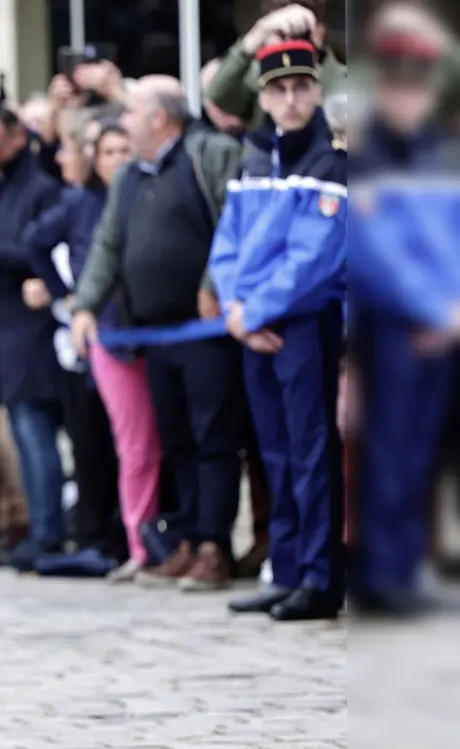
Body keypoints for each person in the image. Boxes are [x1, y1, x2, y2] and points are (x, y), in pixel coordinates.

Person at [70, 76, 247, 592]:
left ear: (160, 117)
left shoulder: (209, 153)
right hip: (154, 335)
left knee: (214, 438)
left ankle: (215, 546)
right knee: (176, 441)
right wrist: (85, 305)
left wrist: (215, 282)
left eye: (131, 112)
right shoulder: (128, 176)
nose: (123, 122)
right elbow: (108, 245)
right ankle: (189, 540)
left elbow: (236, 223)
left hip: (205, 330)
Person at [209, 40, 347, 621]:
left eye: (300, 87)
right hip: (254, 326)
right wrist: (234, 309)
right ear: (262, 97)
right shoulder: (254, 157)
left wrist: (252, 312)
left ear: (316, 90)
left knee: (312, 452)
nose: (290, 100)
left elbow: (315, 258)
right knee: (276, 453)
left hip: (303, 323)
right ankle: (285, 567)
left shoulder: (330, 159)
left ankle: (320, 576)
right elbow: (228, 244)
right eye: (278, 90)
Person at [346, 6, 460, 616]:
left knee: (420, 456)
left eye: (417, 87)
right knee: (388, 452)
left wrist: (452, 309)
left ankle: (404, 568)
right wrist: (434, 310)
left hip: (443, 323)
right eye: (396, 85)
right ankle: (383, 573)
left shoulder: (440, 155)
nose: (407, 98)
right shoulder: (366, 159)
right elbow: (375, 256)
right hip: (396, 326)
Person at [24, 114, 135, 576]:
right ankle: (96, 537)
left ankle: (132, 536)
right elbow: (34, 241)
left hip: (140, 332)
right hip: (92, 337)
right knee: (91, 443)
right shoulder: (80, 201)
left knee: (132, 444)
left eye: (122, 150)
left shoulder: (139, 195)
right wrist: (62, 291)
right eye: (106, 152)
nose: (115, 160)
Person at [0, 103, 67, 570]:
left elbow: (45, 251)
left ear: (19, 137)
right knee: (22, 434)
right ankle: (36, 527)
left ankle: (48, 532)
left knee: (35, 431)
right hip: (0, 328)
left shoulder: (43, 189)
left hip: (34, 331)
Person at [205, 1, 348, 133]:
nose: (289, 43)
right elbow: (219, 94)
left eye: (299, 34)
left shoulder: (345, 83)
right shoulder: (259, 79)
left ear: (319, 32)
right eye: (281, 33)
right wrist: (256, 36)